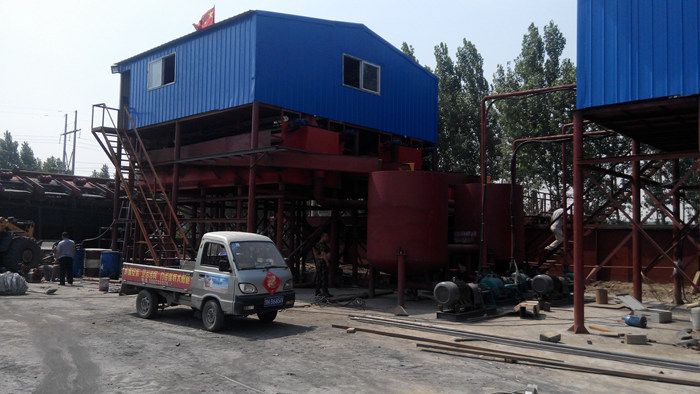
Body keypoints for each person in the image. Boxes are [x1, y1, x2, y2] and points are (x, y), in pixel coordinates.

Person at [312, 232, 332, 297]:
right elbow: (323, 254)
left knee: (320, 277)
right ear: (322, 237)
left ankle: (319, 292)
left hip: (320, 263)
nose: (327, 238)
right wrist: (327, 262)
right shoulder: (321, 244)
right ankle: (324, 292)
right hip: (322, 263)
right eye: (326, 236)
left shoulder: (322, 244)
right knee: (323, 278)